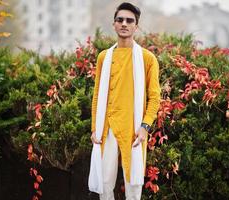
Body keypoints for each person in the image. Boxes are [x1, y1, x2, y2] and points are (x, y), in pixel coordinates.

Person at [88, 2, 161, 200]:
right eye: (120, 19)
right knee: (104, 185)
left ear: (136, 26)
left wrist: (145, 127)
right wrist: (95, 127)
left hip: (133, 129)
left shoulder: (147, 58)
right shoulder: (104, 57)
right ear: (114, 24)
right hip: (107, 127)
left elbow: (155, 97)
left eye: (129, 20)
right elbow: (97, 96)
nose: (124, 24)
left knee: (133, 187)